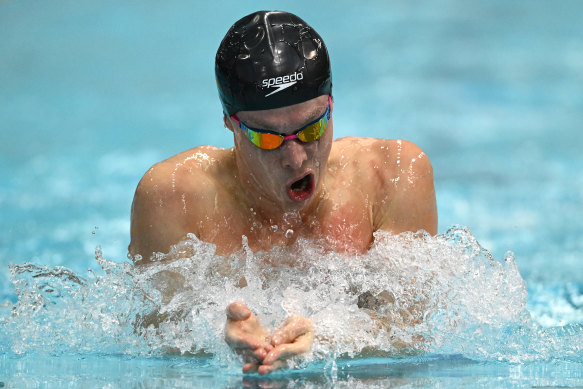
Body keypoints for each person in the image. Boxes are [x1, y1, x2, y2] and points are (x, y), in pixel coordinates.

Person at [129, 10, 437, 375]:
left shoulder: (391, 176)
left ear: (331, 105)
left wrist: (325, 339)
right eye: (268, 138)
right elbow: (150, 344)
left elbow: (411, 333)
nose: (295, 158)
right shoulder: (174, 196)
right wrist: (215, 341)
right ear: (230, 123)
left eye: (311, 128)